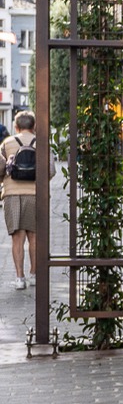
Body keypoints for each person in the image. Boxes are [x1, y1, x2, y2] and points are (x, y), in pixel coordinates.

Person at [2, 112, 37, 292]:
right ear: (34, 126)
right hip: (35, 194)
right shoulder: (42, 143)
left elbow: (1, 167)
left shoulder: (7, 143)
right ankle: (34, 274)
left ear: (16, 127)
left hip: (12, 195)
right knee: (35, 237)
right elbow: (51, 169)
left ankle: (19, 278)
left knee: (17, 238)